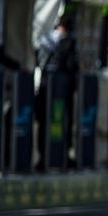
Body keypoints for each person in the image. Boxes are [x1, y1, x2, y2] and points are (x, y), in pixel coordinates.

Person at [34, 12, 80, 171]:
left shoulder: (44, 41)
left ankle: (44, 158)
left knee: (46, 123)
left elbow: (39, 64)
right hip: (60, 92)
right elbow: (73, 66)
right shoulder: (67, 43)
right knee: (62, 123)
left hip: (45, 88)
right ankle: (61, 157)